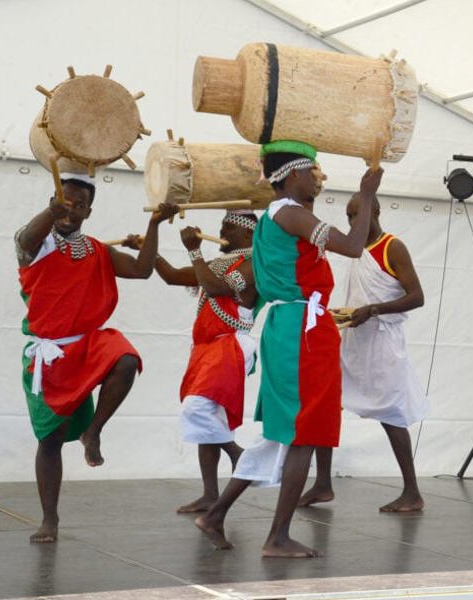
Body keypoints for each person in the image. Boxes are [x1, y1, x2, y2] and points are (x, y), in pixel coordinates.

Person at [194, 141, 380, 558]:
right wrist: (367, 196)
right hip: (300, 330)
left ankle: (216, 513)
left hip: (291, 325)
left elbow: (249, 293)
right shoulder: (291, 214)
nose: (318, 178)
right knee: (303, 433)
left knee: (282, 435)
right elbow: (353, 246)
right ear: (292, 175)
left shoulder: (268, 222)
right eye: (312, 171)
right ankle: (277, 536)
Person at [16, 172, 177, 543]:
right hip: (50, 354)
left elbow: (142, 269)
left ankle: (94, 430)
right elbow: (26, 239)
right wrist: (48, 212)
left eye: (79, 204)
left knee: (125, 359)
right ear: (53, 199)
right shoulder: (35, 245)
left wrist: (154, 225)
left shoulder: (96, 249)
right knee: (50, 440)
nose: (70, 209)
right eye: (64, 201)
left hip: (86, 344)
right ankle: (50, 519)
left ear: (89, 211)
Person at [299, 194, 427, 512]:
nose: (352, 221)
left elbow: (417, 296)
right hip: (353, 342)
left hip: (383, 345)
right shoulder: (357, 250)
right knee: (327, 405)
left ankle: (412, 492)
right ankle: (323, 483)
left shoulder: (392, 247)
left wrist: (374, 309)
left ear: (376, 212)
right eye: (349, 216)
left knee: (391, 416)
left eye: (358, 214)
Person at [144, 211, 259, 513]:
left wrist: (194, 250)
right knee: (206, 420)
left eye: (229, 228)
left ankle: (240, 456)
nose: (221, 232)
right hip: (207, 349)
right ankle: (210, 493)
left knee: (196, 409)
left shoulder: (253, 265)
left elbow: (218, 288)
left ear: (248, 235)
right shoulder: (217, 265)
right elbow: (172, 276)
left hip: (230, 345)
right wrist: (147, 250)